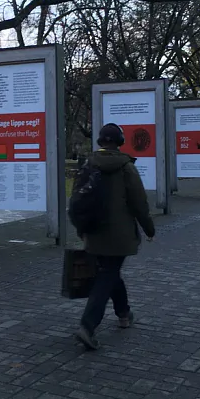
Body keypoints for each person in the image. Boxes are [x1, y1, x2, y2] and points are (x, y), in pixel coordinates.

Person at [74, 123, 155, 350]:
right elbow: (139, 203)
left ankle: (124, 313)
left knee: (110, 271)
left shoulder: (88, 165)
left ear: (100, 142)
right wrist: (149, 229)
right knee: (108, 274)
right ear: (119, 142)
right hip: (118, 235)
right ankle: (87, 326)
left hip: (93, 231)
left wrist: (81, 228)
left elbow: (77, 201)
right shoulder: (126, 167)